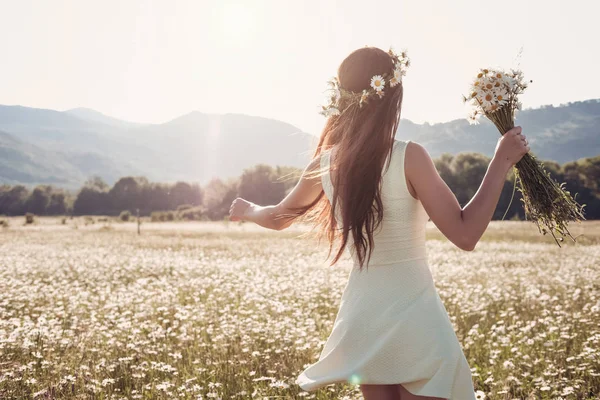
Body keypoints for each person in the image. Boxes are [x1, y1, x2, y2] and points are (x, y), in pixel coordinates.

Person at [229, 46, 529, 400]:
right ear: (392, 99)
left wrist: (248, 210)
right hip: (415, 319)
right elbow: (465, 234)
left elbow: (278, 217)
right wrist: (500, 163)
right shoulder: (408, 156)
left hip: (364, 320)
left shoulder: (326, 165)